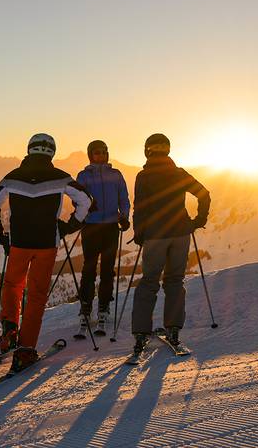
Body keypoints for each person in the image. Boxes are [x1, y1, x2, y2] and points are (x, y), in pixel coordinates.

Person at [0, 133, 94, 373]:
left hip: (19, 243)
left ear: (29, 150)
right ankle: (25, 350)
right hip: (47, 243)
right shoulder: (60, 177)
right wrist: (69, 225)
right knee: (36, 295)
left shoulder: (12, 177)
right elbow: (86, 201)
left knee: (13, 285)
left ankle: (10, 327)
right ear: (51, 152)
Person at [130, 133, 210, 359]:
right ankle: (173, 331)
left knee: (149, 282)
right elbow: (204, 194)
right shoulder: (179, 173)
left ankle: (141, 334)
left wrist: (139, 233)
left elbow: (140, 207)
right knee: (174, 280)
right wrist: (198, 221)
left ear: (148, 151)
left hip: (155, 236)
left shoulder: (143, 176)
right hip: (180, 234)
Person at [75, 140, 130, 332]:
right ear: (91, 155)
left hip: (110, 227)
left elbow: (124, 198)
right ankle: (86, 306)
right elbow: (77, 198)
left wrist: (124, 216)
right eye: (96, 152)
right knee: (89, 268)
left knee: (107, 269)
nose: (100, 155)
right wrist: (83, 212)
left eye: (103, 152)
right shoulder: (84, 176)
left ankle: (104, 305)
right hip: (91, 226)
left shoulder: (116, 175)